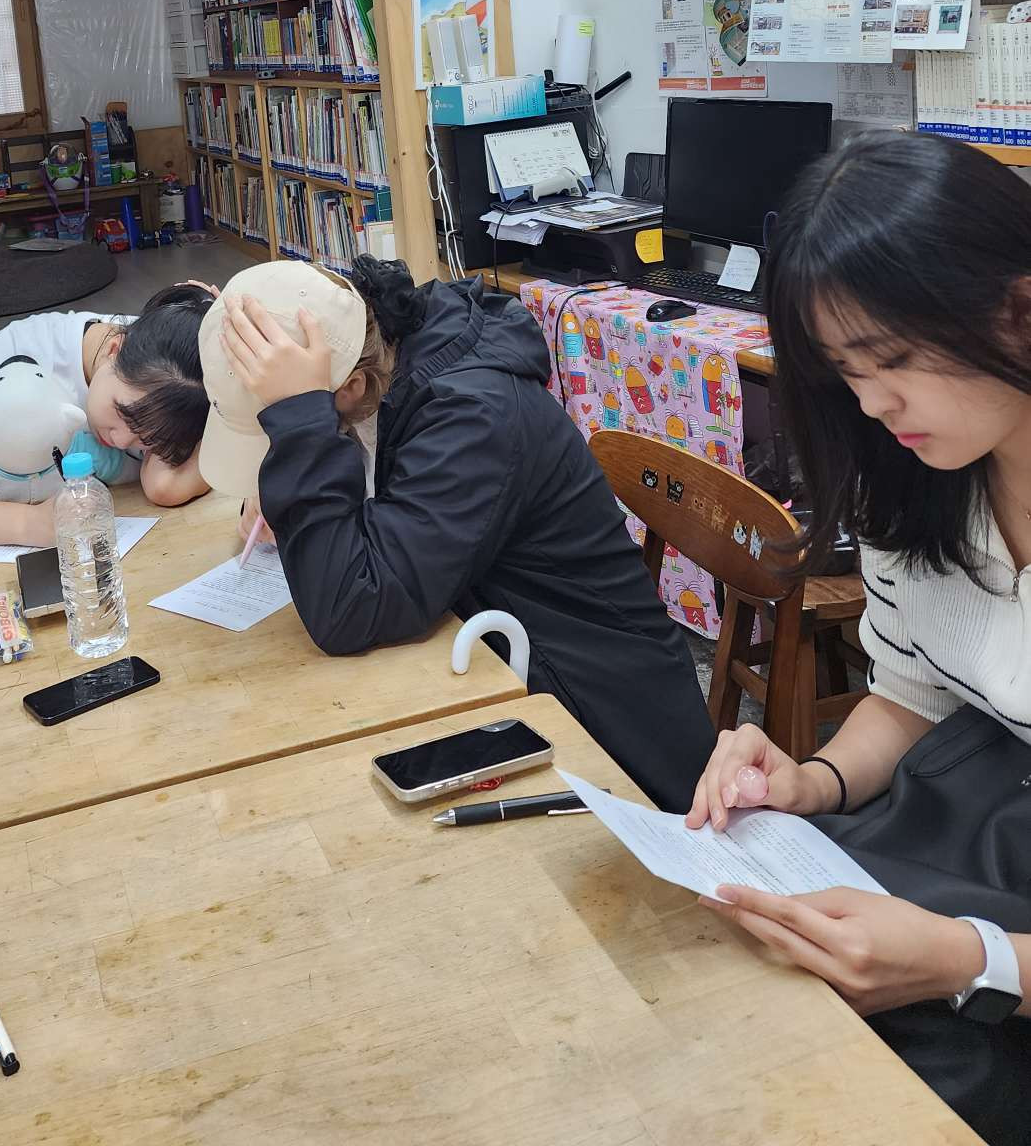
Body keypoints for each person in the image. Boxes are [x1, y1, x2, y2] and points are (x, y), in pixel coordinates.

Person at [688, 134, 1031, 1144]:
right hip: (975, 838)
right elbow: (916, 691)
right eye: (845, 373)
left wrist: (975, 961)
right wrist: (812, 782)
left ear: (1020, 310)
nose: (874, 405)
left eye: (891, 361)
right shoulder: (919, 479)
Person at [209, 256, 716, 812]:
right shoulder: (391, 356)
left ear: (350, 386)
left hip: (612, 738)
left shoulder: (472, 414)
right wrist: (289, 470)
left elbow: (350, 606)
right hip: (506, 666)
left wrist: (303, 438)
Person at [0, 284, 214, 548]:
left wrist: (228, 390)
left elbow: (164, 484)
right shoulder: (19, 351)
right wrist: (29, 524)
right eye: (124, 414)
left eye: (149, 439)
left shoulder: (184, 379)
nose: (122, 440)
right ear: (114, 349)